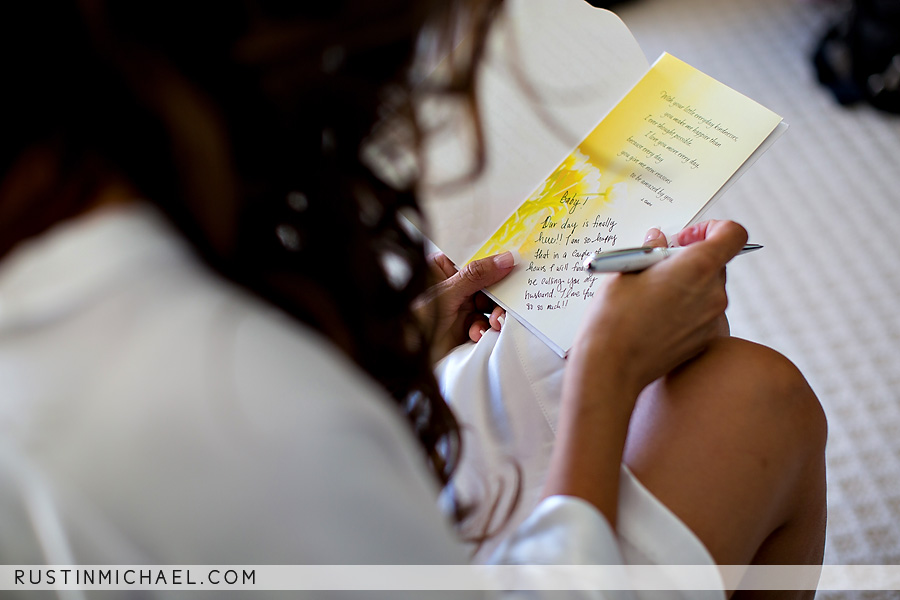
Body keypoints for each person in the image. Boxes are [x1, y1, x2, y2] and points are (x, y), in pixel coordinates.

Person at [0, 1, 826, 598]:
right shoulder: (227, 390)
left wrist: (373, 362)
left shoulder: (78, 227)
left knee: (715, 391)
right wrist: (606, 376)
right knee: (764, 405)